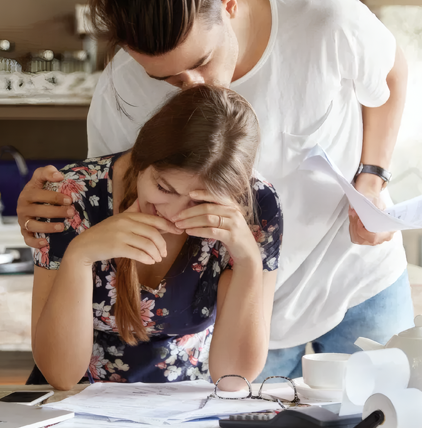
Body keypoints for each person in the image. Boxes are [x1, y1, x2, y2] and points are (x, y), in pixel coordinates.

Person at [18, 0, 413, 379]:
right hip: (239, 298)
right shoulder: (124, 85)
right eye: (167, 80)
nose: (192, 88)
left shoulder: (327, 20)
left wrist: (373, 178)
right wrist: (48, 206)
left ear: (228, 4)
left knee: (394, 407)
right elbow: (102, 191)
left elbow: (392, 74)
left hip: (353, 266)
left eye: (202, 62)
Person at [28, 85, 283, 390]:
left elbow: (233, 380)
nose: (173, 214)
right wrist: (79, 256)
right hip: (77, 404)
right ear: (141, 159)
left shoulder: (256, 206)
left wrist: (248, 262)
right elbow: (60, 376)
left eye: (200, 202)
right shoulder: (72, 196)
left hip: (186, 407)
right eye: (164, 188)